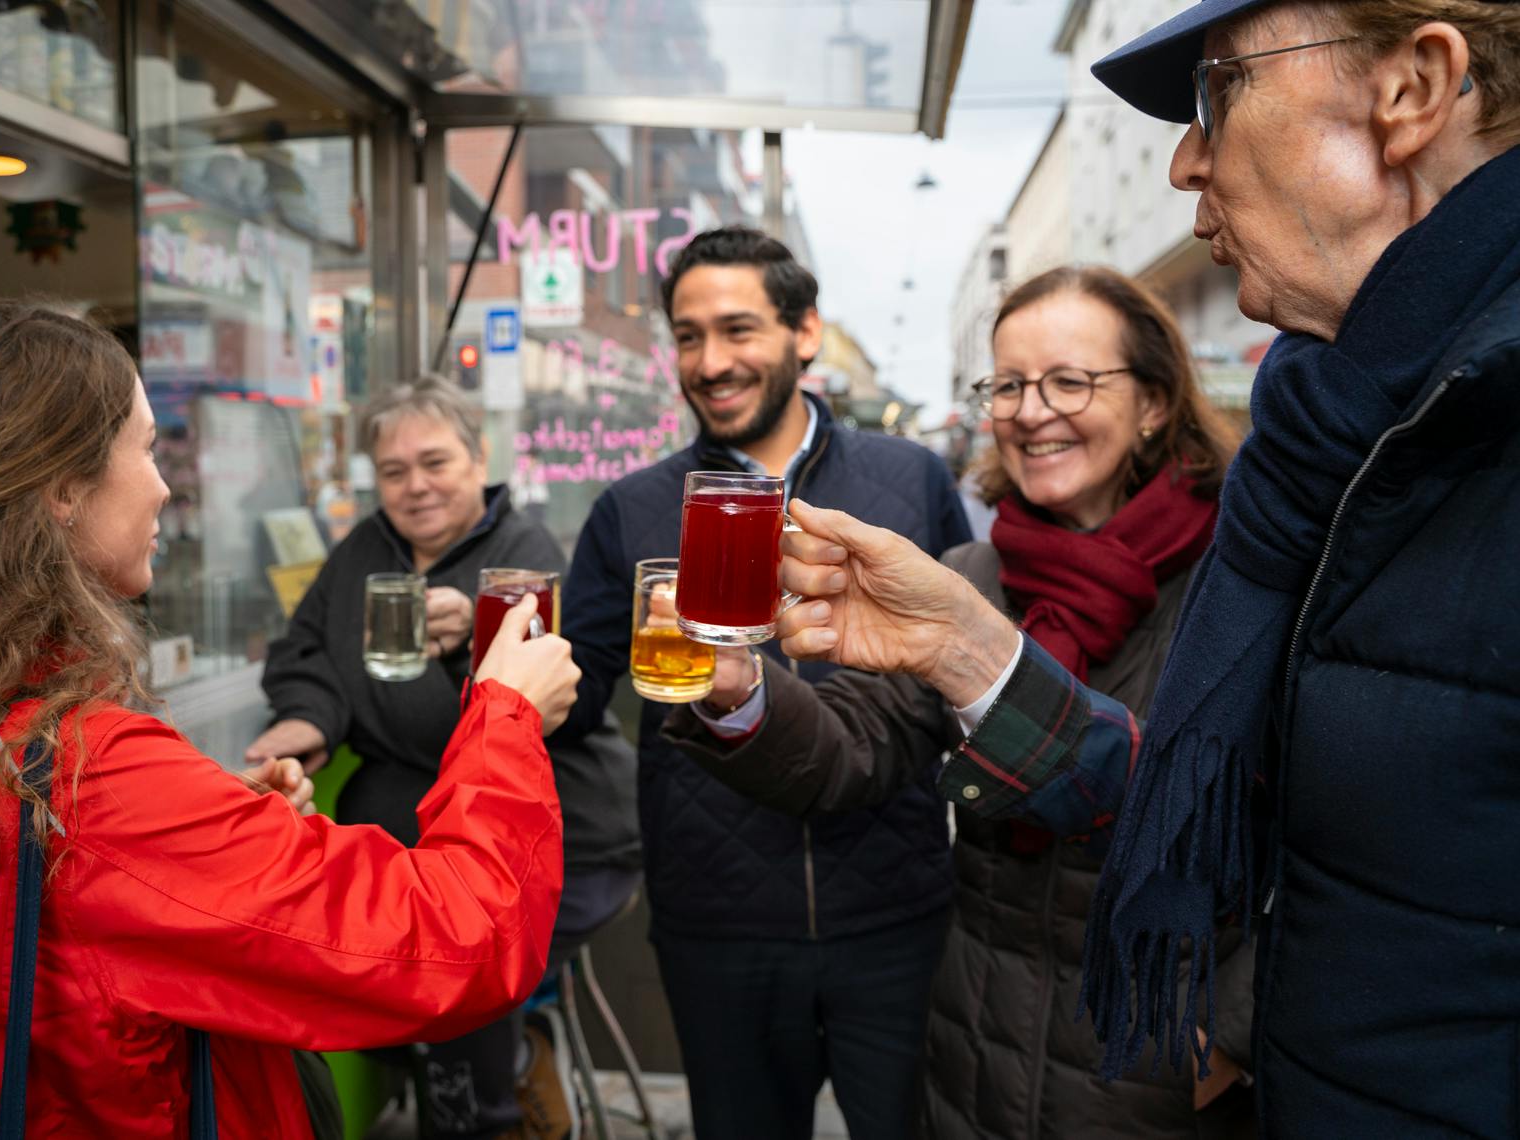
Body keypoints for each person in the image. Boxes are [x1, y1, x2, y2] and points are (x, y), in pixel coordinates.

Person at [747, 2, 1520, 1134]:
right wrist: (911, 655)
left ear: (1413, 88)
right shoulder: (1319, 462)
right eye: (1009, 386)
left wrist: (1234, 1026)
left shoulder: (1291, 509)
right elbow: (1263, 822)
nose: (1183, 160)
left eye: (1220, 90)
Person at [0, 301, 580, 1139]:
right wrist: (505, 716)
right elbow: (458, 941)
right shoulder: (89, 777)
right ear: (63, 489)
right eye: (145, 448)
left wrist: (216, 827)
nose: (166, 485)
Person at [667, 265, 1257, 1138]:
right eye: (1008, 385)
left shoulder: (1242, 576)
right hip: (979, 1044)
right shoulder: (976, 572)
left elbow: (1317, 834)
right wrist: (741, 690)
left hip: (1152, 1059)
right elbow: (854, 746)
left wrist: (1234, 1034)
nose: (1030, 411)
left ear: (1156, 402)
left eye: (1069, 381)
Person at [555, 226, 973, 1140]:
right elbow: (575, 696)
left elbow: (965, 671)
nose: (710, 362)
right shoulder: (631, 507)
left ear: (804, 332)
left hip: (894, 908)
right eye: (688, 336)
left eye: (737, 329)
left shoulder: (909, 478)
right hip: (718, 919)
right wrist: (499, 661)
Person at [247, 376, 641, 1140]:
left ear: (479, 458)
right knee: (396, 959)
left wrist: (468, 647)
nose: (415, 486)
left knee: (456, 970)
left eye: (435, 463)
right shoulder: (363, 551)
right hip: (425, 847)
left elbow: (524, 718)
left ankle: (492, 1103)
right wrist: (311, 717)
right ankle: (504, 1069)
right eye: (394, 471)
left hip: (558, 842)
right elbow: (303, 653)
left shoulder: (520, 558)